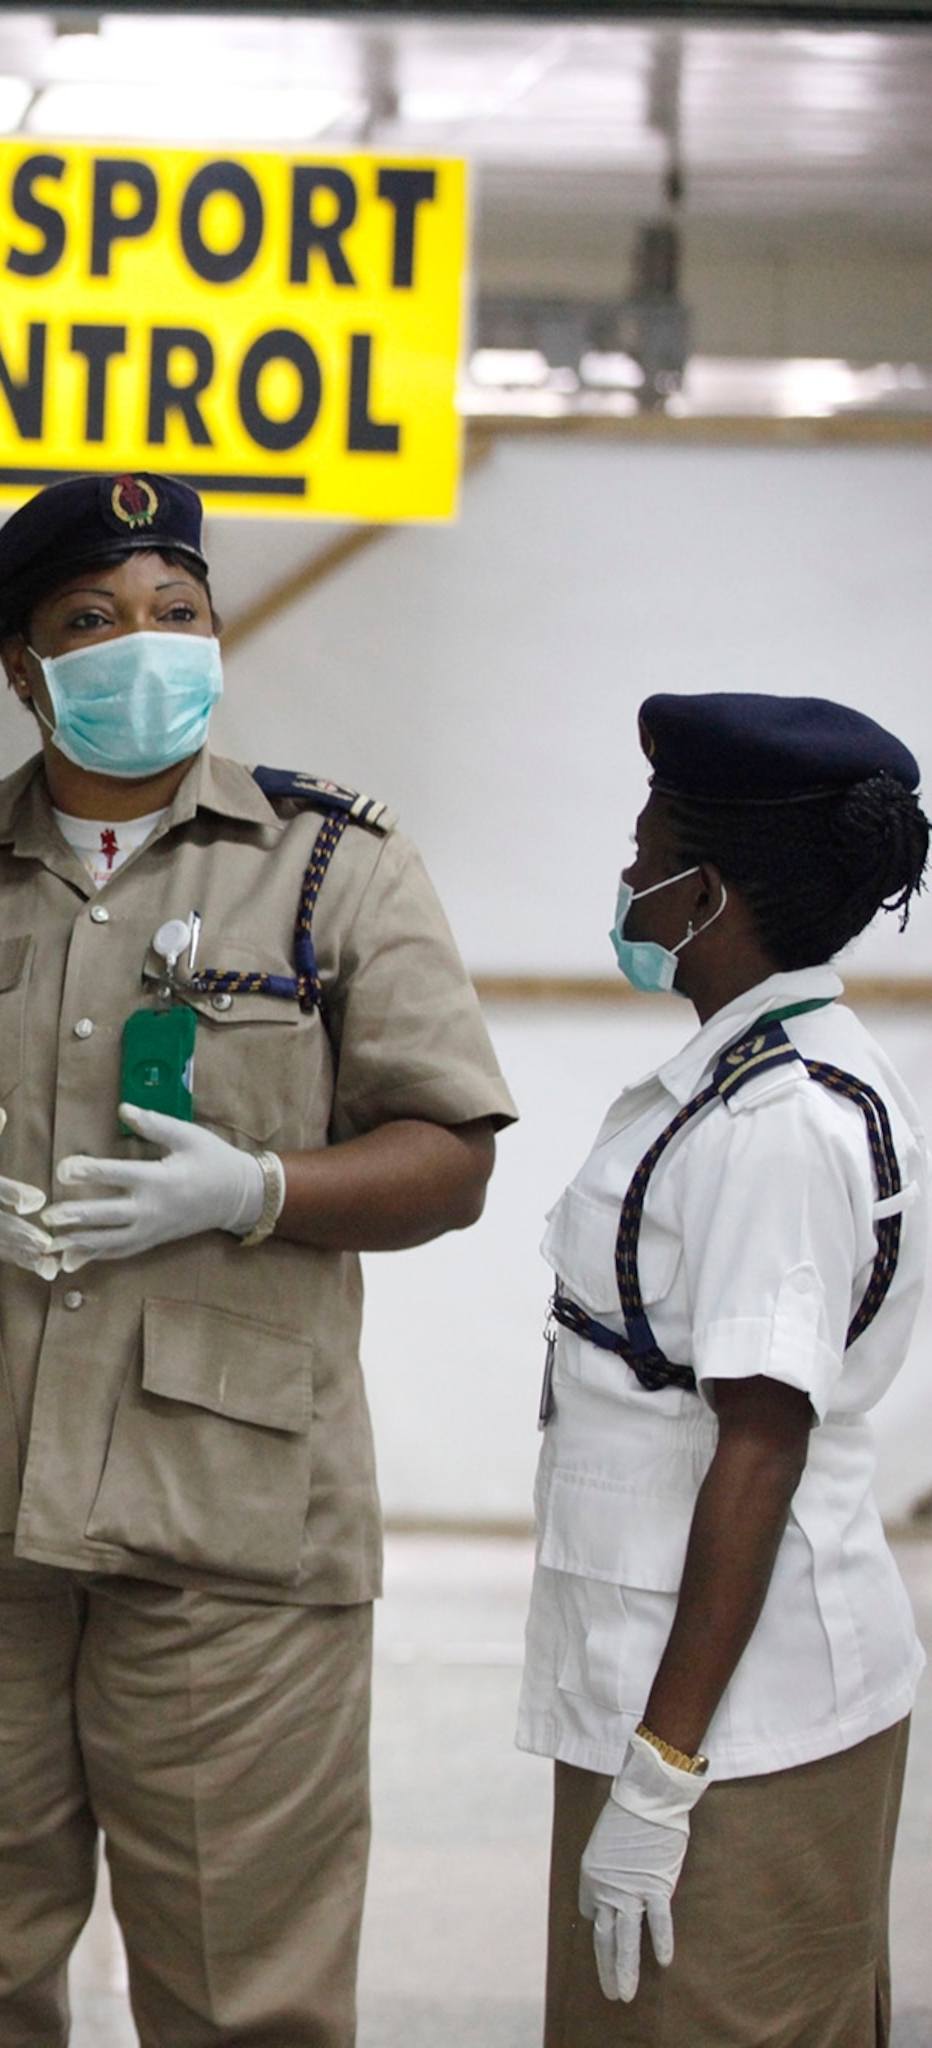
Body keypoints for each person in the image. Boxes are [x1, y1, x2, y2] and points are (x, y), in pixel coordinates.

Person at [0, 471, 518, 2048]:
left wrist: (260, 1189)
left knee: (250, 1994)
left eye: (178, 611)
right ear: (22, 668)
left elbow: (451, 1153)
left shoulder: (331, 864)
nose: (143, 646)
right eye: (92, 622)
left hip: (232, 1526)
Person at [526, 692, 925, 2042]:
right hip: (674, 1694)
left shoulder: (782, 1125)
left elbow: (762, 1443)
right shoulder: (739, 1078)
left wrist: (661, 1776)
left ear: (710, 892)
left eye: (648, 850)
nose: (629, 877)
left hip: (731, 1730)